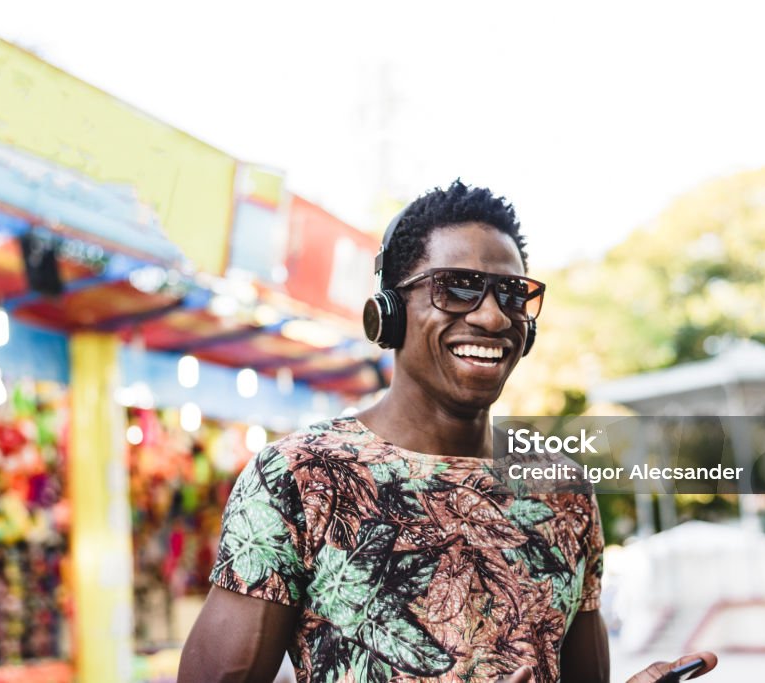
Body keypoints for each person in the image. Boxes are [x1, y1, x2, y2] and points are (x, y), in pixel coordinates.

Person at [178, 181, 718, 682]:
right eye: (456, 289)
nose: (492, 317)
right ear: (388, 313)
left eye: (511, 293)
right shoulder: (301, 477)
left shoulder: (562, 490)